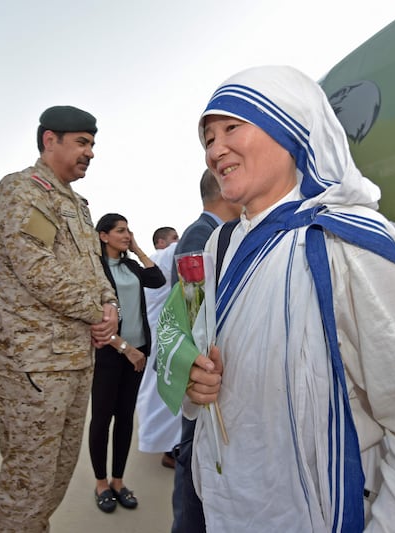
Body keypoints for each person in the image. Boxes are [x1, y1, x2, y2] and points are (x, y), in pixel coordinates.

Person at [183, 65, 395, 532]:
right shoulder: (219, 246)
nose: (215, 149)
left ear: (290, 125)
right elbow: (208, 358)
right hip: (231, 504)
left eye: (231, 127)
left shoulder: (349, 243)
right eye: (207, 138)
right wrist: (194, 384)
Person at [0, 105, 120, 533]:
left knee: (58, 473)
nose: (90, 153)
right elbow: (36, 267)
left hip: (75, 357)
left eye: (92, 144)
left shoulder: (77, 205)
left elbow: (93, 267)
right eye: (82, 142)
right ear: (50, 140)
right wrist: (95, 312)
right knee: (28, 478)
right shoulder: (23, 190)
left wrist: (110, 306)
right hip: (35, 360)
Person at [171, 168, 240, 533]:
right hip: (202, 375)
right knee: (194, 461)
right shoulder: (204, 236)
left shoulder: (209, 232)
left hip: (206, 375)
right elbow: (195, 315)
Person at [88, 214, 165, 513]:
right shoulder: (95, 269)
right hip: (110, 353)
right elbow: (96, 317)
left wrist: (137, 248)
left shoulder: (131, 265)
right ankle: (101, 482)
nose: (127, 234)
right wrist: (125, 348)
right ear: (103, 236)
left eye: (129, 230)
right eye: (121, 230)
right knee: (102, 418)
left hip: (138, 352)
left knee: (124, 418)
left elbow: (157, 280)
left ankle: (118, 481)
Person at [135, 226, 181, 469]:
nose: (178, 241)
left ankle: (167, 444)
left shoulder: (153, 265)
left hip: (159, 332)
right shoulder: (159, 258)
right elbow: (180, 250)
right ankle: (165, 446)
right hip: (162, 332)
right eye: (174, 238)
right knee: (158, 390)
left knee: (156, 388)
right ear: (161, 243)